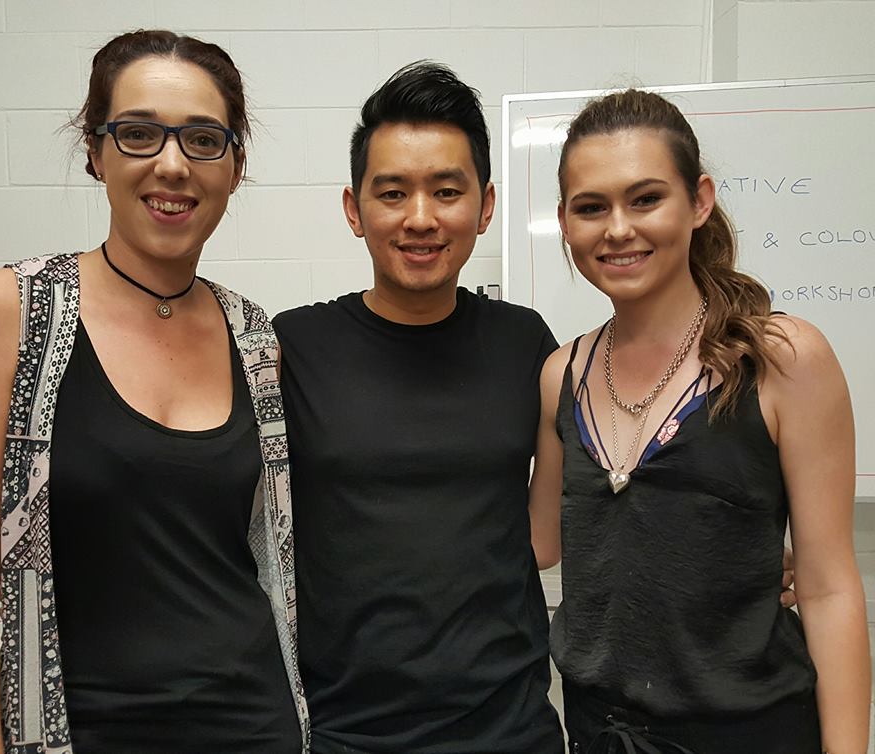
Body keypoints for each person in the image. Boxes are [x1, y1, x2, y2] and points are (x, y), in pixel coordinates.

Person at [0, 30, 308, 753]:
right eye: (138, 133)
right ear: (95, 152)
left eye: (204, 140)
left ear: (235, 166)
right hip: (76, 731)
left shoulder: (256, 337)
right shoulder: (5, 313)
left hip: (256, 728)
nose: (172, 165)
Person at [529, 89, 870, 753]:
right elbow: (539, 543)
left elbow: (830, 590)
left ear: (699, 201)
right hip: (599, 733)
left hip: (750, 733)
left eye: (645, 199)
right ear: (565, 222)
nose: (617, 228)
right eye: (591, 207)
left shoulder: (781, 359)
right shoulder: (560, 376)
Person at [273, 62, 564, 753]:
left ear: (485, 206)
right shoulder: (293, 346)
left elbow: (567, 518)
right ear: (355, 209)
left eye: (447, 191)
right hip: (343, 731)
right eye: (393, 192)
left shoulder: (525, 342)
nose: (421, 218)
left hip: (510, 727)